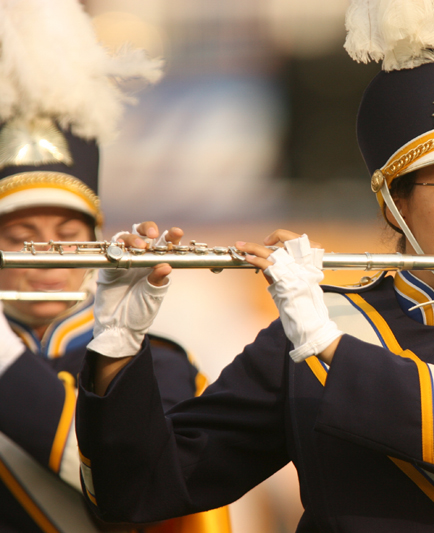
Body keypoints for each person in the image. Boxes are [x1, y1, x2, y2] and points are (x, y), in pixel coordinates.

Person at [76, 2, 434, 532]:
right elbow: (140, 490)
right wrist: (117, 348)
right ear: (394, 203)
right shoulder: (308, 332)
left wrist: (331, 347)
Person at [0, 0, 230, 531]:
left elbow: (144, 486)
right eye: (21, 238)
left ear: (97, 240)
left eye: (68, 237)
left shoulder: (156, 368)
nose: (48, 258)